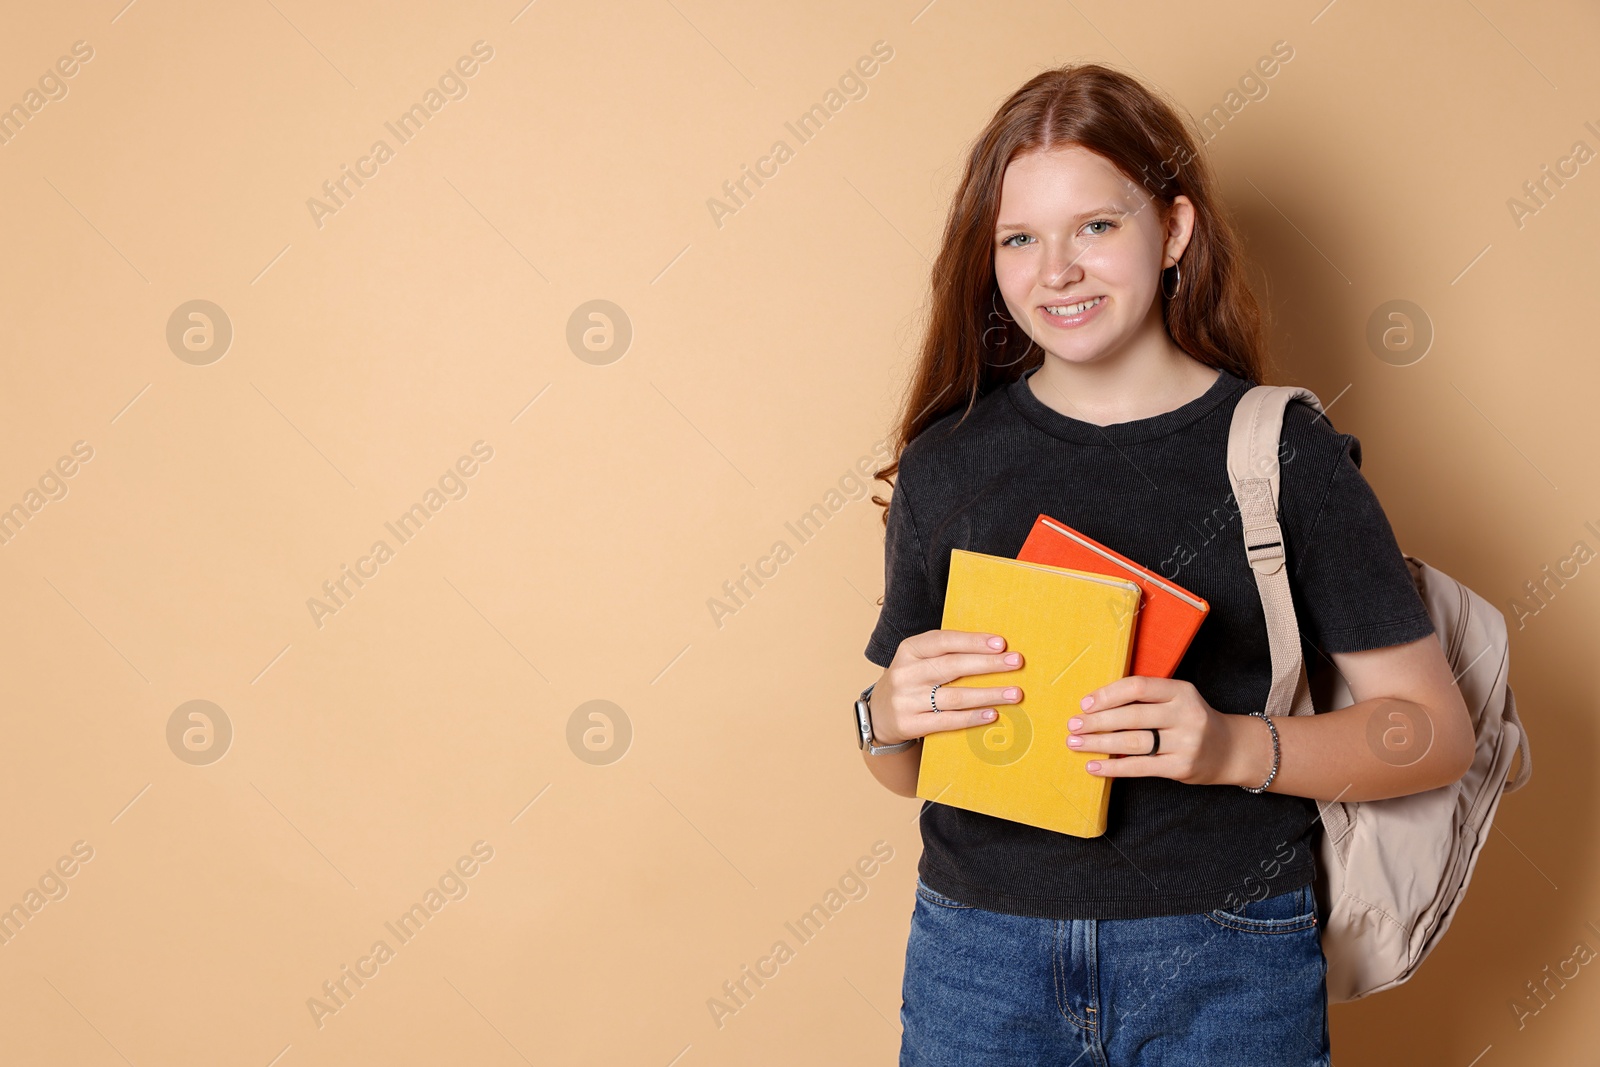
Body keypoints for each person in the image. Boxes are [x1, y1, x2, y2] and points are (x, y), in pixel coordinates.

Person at [857, 62, 1477, 1067]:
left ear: (1174, 231)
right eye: (1019, 238)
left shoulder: (1280, 453)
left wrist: (1232, 747)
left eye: (1095, 226)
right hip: (976, 952)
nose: (1055, 270)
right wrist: (882, 714)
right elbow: (902, 767)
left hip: (1225, 949)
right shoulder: (947, 463)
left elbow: (1431, 732)